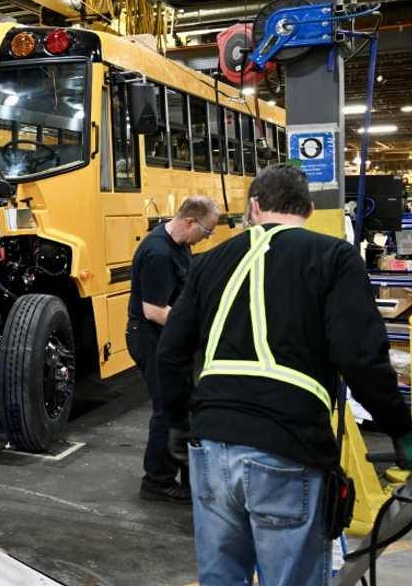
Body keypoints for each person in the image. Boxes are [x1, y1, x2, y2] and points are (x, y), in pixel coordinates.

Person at [158, 164, 412, 585]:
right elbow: (360, 357)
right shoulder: (334, 256)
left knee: (221, 578)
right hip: (288, 446)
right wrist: (400, 428)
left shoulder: (209, 261)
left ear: (254, 207)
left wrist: (177, 422)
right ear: (308, 210)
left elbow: (170, 353)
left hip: (212, 446)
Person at [127, 195, 220, 502]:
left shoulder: (180, 245)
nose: (207, 237)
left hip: (168, 338)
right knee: (167, 409)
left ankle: (186, 476)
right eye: (207, 231)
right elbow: (154, 310)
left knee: (182, 406)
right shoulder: (158, 254)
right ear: (190, 221)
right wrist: (197, 328)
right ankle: (157, 482)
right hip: (150, 337)